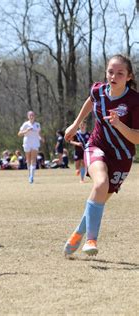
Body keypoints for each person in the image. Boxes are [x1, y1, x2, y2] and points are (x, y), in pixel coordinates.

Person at [63, 54, 138, 257]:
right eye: (110, 72)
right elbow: (91, 100)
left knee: (100, 198)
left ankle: (79, 232)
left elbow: (137, 138)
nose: (114, 76)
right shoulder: (99, 90)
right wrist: (75, 124)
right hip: (96, 146)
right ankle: (91, 239)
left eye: (120, 73)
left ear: (129, 77)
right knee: (100, 184)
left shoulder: (134, 101)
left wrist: (119, 124)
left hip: (122, 158)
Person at [18, 111, 42, 183]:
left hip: (35, 143)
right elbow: (19, 134)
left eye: (33, 115)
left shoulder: (37, 125)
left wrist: (41, 138)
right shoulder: (25, 124)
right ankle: (29, 174)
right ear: (28, 116)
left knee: (33, 159)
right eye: (30, 115)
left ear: (34, 116)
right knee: (28, 160)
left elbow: (38, 134)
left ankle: (32, 176)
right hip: (27, 142)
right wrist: (26, 130)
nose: (31, 117)